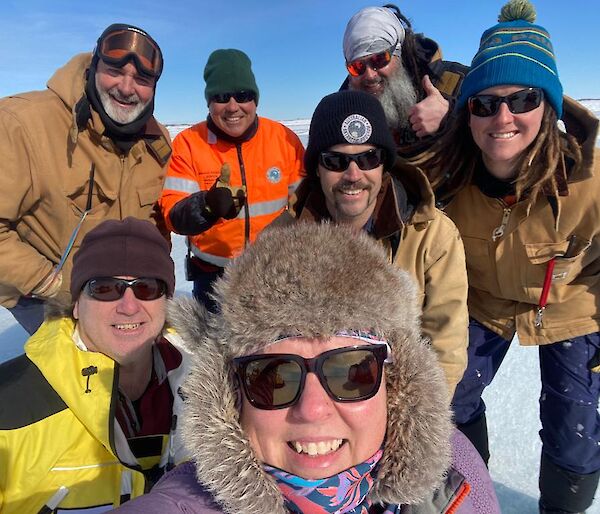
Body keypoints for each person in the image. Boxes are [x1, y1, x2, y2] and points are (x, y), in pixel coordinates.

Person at [112, 222, 500, 513]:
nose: (312, 410)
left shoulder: (456, 471)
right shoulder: (186, 503)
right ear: (230, 397)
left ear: (396, 385)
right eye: (274, 377)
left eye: (352, 373)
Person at [418, 1, 600, 512]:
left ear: (548, 108)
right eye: (484, 103)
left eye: (522, 99)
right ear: (467, 113)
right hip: (484, 304)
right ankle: (469, 492)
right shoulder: (447, 180)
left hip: (572, 307)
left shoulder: (590, 180)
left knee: (576, 430)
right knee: (444, 402)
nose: (503, 117)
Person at [0, 217, 190, 513]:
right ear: (75, 304)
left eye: (147, 287)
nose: (128, 306)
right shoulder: (7, 407)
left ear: (166, 302)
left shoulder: (218, 391)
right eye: (104, 288)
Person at [290, 89, 468, 395]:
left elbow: (444, 347)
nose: (353, 174)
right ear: (317, 169)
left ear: (384, 164)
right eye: (335, 160)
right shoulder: (281, 241)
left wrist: (408, 422)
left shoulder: (431, 236)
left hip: (400, 403)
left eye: (368, 158)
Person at [0, 23, 172, 336]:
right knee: (77, 382)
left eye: (142, 79)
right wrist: (51, 284)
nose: (126, 87)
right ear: (94, 66)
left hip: (122, 297)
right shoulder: (20, 125)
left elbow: (154, 223)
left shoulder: (156, 142)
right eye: (114, 71)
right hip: (48, 299)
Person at [159, 49, 304, 310]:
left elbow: (308, 203)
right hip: (213, 278)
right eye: (222, 97)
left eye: (243, 95)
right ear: (209, 102)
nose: (233, 106)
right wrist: (207, 206)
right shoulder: (188, 144)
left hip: (276, 274)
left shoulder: (284, 139)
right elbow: (173, 213)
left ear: (255, 100)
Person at [341, 4, 468, 158]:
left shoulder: (459, 82)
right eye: (357, 66)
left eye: (379, 59)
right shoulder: (344, 111)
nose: (370, 75)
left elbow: (497, 143)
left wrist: (450, 118)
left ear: (399, 53)